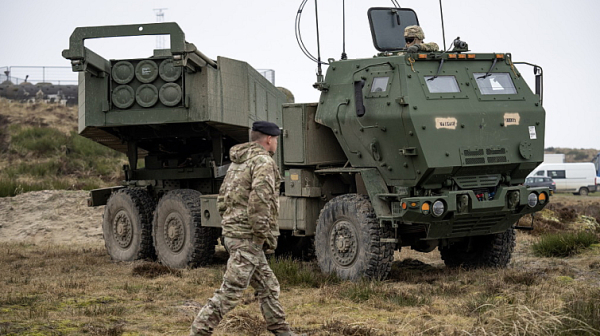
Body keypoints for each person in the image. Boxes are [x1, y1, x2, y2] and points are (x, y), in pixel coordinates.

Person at [190, 121, 305, 336]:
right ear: (269, 140)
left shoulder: (238, 162)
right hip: (248, 236)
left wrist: (231, 225)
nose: (276, 143)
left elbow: (223, 199)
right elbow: (260, 201)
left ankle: (282, 331)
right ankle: (199, 331)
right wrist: (263, 235)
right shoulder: (263, 162)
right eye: (276, 140)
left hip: (235, 233)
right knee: (232, 290)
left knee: (268, 286)